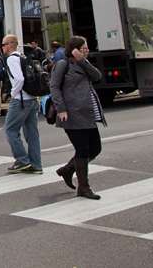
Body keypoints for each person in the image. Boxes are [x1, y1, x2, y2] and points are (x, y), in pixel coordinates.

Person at [49, 36, 106, 200]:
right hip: (71, 114)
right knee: (82, 150)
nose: (86, 50)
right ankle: (84, 187)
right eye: (83, 48)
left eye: (86, 47)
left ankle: (68, 169)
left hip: (88, 113)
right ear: (73, 49)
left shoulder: (83, 64)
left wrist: (83, 61)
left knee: (95, 148)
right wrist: (61, 108)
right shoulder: (63, 65)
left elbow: (97, 76)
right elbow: (54, 87)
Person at [2, 34, 42, 174]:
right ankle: (36, 165)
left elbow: (19, 79)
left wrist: (13, 94)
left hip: (20, 100)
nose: (3, 47)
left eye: (4, 44)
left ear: (10, 44)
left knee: (10, 130)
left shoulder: (12, 59)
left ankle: (22, 160)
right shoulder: (23, 57)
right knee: (32, 133)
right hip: (32, 99)